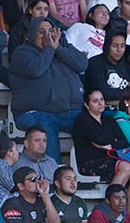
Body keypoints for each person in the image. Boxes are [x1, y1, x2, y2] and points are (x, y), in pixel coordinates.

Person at [9, 17, 87, 162]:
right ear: (32, 34)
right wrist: (50, 49)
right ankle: (51, 178)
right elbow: (35, 70)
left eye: (50, 31)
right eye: (41, 32)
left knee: (92, 123)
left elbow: (82, 64)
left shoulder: (62, 48)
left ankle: (90, 170)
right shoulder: (22, 52)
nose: (47, 36)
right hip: (36, 112)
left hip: (70, 111)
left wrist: (58, 48)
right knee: (45, 127)